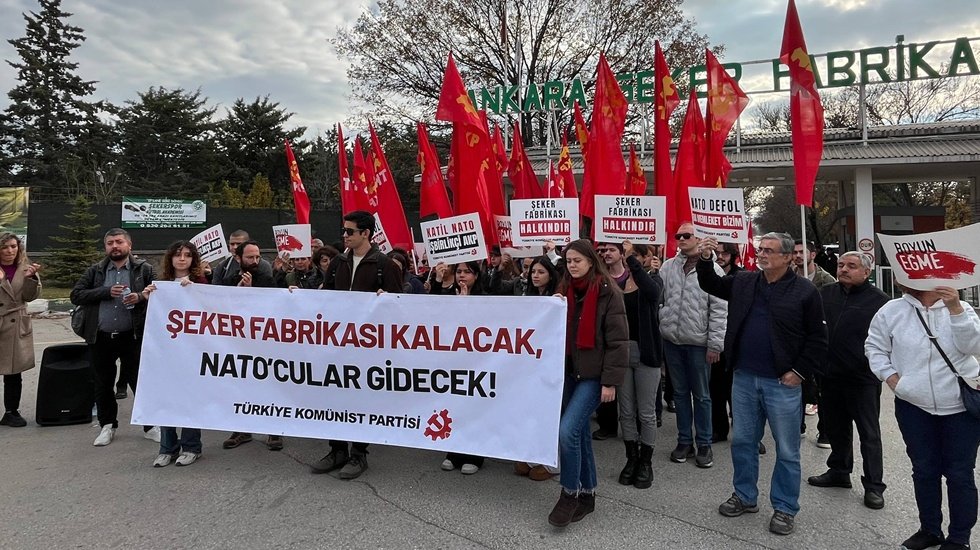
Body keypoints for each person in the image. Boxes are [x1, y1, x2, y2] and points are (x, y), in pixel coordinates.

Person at [697, 232, 827, 536]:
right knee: (742, 441)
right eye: (760, 249)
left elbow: (818, 339)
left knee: (787, 449)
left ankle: (784, 507)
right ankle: (744, 496)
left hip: (782, 382)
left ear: (786, 257)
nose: (762, 254)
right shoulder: (745, 282)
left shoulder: (806, 292)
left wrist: (799, 371)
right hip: (743, 377)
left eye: (769, 251)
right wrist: (704, 260)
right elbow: (712, 284)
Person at [866, 285, 980, 550]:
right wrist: (894, 381)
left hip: (960, 408)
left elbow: (974, 346)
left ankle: (959, 539)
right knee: (924, 471)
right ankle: (929, 529)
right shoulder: (891, 311)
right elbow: (874, 347)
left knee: (960, 474)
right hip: (914, 407)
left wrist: (956, 311)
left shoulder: (962, 310)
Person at [311, 210, 402, 480]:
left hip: (368, 349)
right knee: (334, 395)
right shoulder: (339, 263)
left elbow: (398, 307)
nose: (344, 236)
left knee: (361, 399)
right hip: (338, 343)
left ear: (366, 233)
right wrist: (299, 299)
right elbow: (325, 298)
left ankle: (359, 453)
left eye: (350, 231)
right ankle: (337, 449)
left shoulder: (385, 265)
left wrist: (386, 300)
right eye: (344, 231)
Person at [548, 239, 628, 527]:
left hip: (593, 377)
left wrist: (610, 382)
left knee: (567, 431)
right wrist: (551, 307)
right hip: (567, 373)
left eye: (577, 260)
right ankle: (588, 494)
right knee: (579, 433)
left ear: (591, 261)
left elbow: (618, 343)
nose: (572, 265)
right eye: (568, 261)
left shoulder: (609, 293)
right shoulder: (563, 291)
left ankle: (569, 493)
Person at [807, 252, 889, 509]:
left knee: (869, 434)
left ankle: (874, 486)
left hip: (862, 379)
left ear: (866, 272)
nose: (843, 269)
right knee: (836, 428)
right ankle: (839, 471)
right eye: (841, 265)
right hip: (829, 376)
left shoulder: (880, 301)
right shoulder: (826, 294)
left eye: (851, 266)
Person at [70, 228, 159, 446]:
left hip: (133, 336)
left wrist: (139, 297)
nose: (114, 246)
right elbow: (76, 295)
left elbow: (159, 291)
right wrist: (105, 291)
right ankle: (107, 426)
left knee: (140, 381)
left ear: (129, 245)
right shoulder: (96, 271)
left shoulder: (143, 269)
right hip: (101, 337)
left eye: (119, 242)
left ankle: (150, 426)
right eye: (110, 243)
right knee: (103, 383)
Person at [660, 223, 727, 468]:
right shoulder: (668, 267)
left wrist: (715, 344)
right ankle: (684, 441)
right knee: (679, 394)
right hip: (672, 342)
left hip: (699, 344)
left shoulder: (714, 270)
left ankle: (705, 443)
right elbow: (660, 298)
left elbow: (720, 309)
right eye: (678, 235)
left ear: (699, 239)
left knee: (702, 396)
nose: (680, 239)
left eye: (686, 235)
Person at [142, 241, 209, 467]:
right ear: (170, 258)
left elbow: (210, 310)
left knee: (189, 398)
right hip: (165, 353)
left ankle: (192, 446)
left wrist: (196, 290)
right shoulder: (160, 285)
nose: (182, 259)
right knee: (165, 398)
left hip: (191, 352)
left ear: (193, 259)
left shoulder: (200, 282)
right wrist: (147, 297)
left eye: (188, 255)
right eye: (178, 255)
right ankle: (167, 448)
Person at [610, 241, 663, 489]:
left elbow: (654, 294)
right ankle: (631, 458)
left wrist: (632, 258)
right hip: (623, 354)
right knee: (627, 412)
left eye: (636, 257)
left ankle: (646, 462)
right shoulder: (617, 284)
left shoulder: (651, 282)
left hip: (646, 354)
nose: (632, 261)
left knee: (646, 412)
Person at [219, 240, 281, 451]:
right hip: (240, 343)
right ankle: (242, 429)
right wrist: (239, 291)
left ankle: (274, 430)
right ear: (238, 259)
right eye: (250, 258)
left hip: (266, 341)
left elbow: (275, 304)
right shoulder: (229, 279)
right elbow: (221, 306)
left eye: (257, 257)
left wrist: (253, 290)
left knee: (270, 384)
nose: (255, 261)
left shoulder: (266, 277)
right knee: (241, 385)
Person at [793, 240, 834, 442]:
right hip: (794, 340)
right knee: (795, 384)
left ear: (813, 255)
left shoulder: (826, 280)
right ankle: (797, 425)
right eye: (795, 252)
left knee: (821, 388)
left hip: (817, 340)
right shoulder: (787, 276)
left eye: (802, 252)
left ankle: (825, 431)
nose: (798, 255)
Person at [0, 233, 40, 428]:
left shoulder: (25, 268)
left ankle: (11, 412)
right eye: (5, 247)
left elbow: (30, 296)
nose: (10, 251)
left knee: (13, 372)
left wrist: (30, 278)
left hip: (15, 325)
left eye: (13, 246)